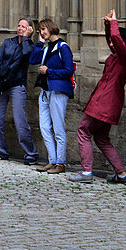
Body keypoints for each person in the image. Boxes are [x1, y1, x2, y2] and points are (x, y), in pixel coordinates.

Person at [69, 9, 126, 184]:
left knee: (83, 130)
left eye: (113, 42)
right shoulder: (118, 56)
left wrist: (114, 24)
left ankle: (86, 172)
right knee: (101, 138)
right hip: (107, 101)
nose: (110, 44)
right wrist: (108, 25)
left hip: (104, 101)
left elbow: (116, 41)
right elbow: (113, 40)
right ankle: (122, 174)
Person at [0, 17, 37, 164]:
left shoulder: (31, 46)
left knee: (20, 121)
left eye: (24, 27)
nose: (20, 28)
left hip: (17, 85)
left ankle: (31, 153)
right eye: (19, 25)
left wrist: (26, 38)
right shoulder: (8, 42)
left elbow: (27, 54)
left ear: (29, 30)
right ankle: (1, 151)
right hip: (0, 84)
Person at [29, 18, 73, 174]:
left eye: (44, 29)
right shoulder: (46, 48)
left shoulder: (63, 47)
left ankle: (60, 163)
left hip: (58, 90)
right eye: (40, 30)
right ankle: (52, 160)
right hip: (45, 91)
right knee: (44, 127)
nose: (42, 32)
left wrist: (49, 71)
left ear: (51, 28)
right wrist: (40, 43)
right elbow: (33, 60)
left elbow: (69, 71)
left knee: (58, 127)